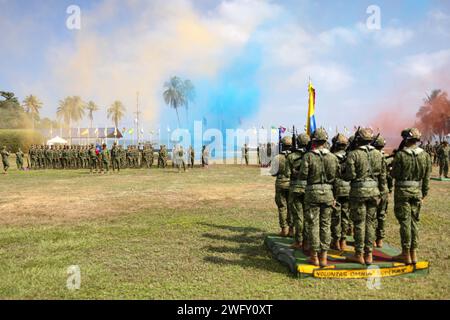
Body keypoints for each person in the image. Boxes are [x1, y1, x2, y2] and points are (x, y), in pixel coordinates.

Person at [344, 128, 387, 265]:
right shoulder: (378, 155)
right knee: (371, 223)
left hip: (359, 192)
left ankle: (359, 254)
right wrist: (382, 191)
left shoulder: (353, 154)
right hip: (374, 192)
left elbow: (349, 176)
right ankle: (369, 255)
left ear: (359, 140)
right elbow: (383, 176)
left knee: (359, 223)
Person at [299, 129, 339, 267]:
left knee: (313, 225)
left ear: (314, 141)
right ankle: (324, 257)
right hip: (328, 193)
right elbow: (336, 178)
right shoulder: (333, 157)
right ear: (325, 141)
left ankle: (314, 256)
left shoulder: (308, 156)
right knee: (325, 225)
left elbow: (303, 175)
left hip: (312, 194)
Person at [391, 128, 432, 265]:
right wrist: (424, 192)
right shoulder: (425, 155)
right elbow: (427, 176)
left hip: (403, 191)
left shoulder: (401, 155)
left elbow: (394, 173)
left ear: (406, 140)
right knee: (414, 222)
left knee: (405, 223)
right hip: (417, 191)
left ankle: (405, 253)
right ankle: (414, 253)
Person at [288, 133, 310, 250]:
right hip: (308, 189)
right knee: (308, 216)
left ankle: (299, 241)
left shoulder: (291, 156)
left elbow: (288, 173)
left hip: (296, 188)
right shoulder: (311, 155)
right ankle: (306, 242)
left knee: (298, 216)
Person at [330, 133, 351, 251]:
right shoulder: (351, 156)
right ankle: (343, 240)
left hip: (335, 189)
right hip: (348, 188)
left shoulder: (331, 157)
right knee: (345, 216)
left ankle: (336, 240)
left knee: (335, 216)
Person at [372, 135, 393, 248]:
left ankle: (373, 240)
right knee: (382, 215)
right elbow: (389, 176)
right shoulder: (387, 158)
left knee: (372, 215)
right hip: (384, 190)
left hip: (374, 189)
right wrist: (389, 189)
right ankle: (380, 239)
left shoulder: (372, 157)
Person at [270, 136, 292, 237]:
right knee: (292, 207)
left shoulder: (277, 158)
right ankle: (291, 230)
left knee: (282, 207)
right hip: (292, 184)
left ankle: (284, 229)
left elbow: (273, 173)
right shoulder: (295, 156)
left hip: (280, 184)